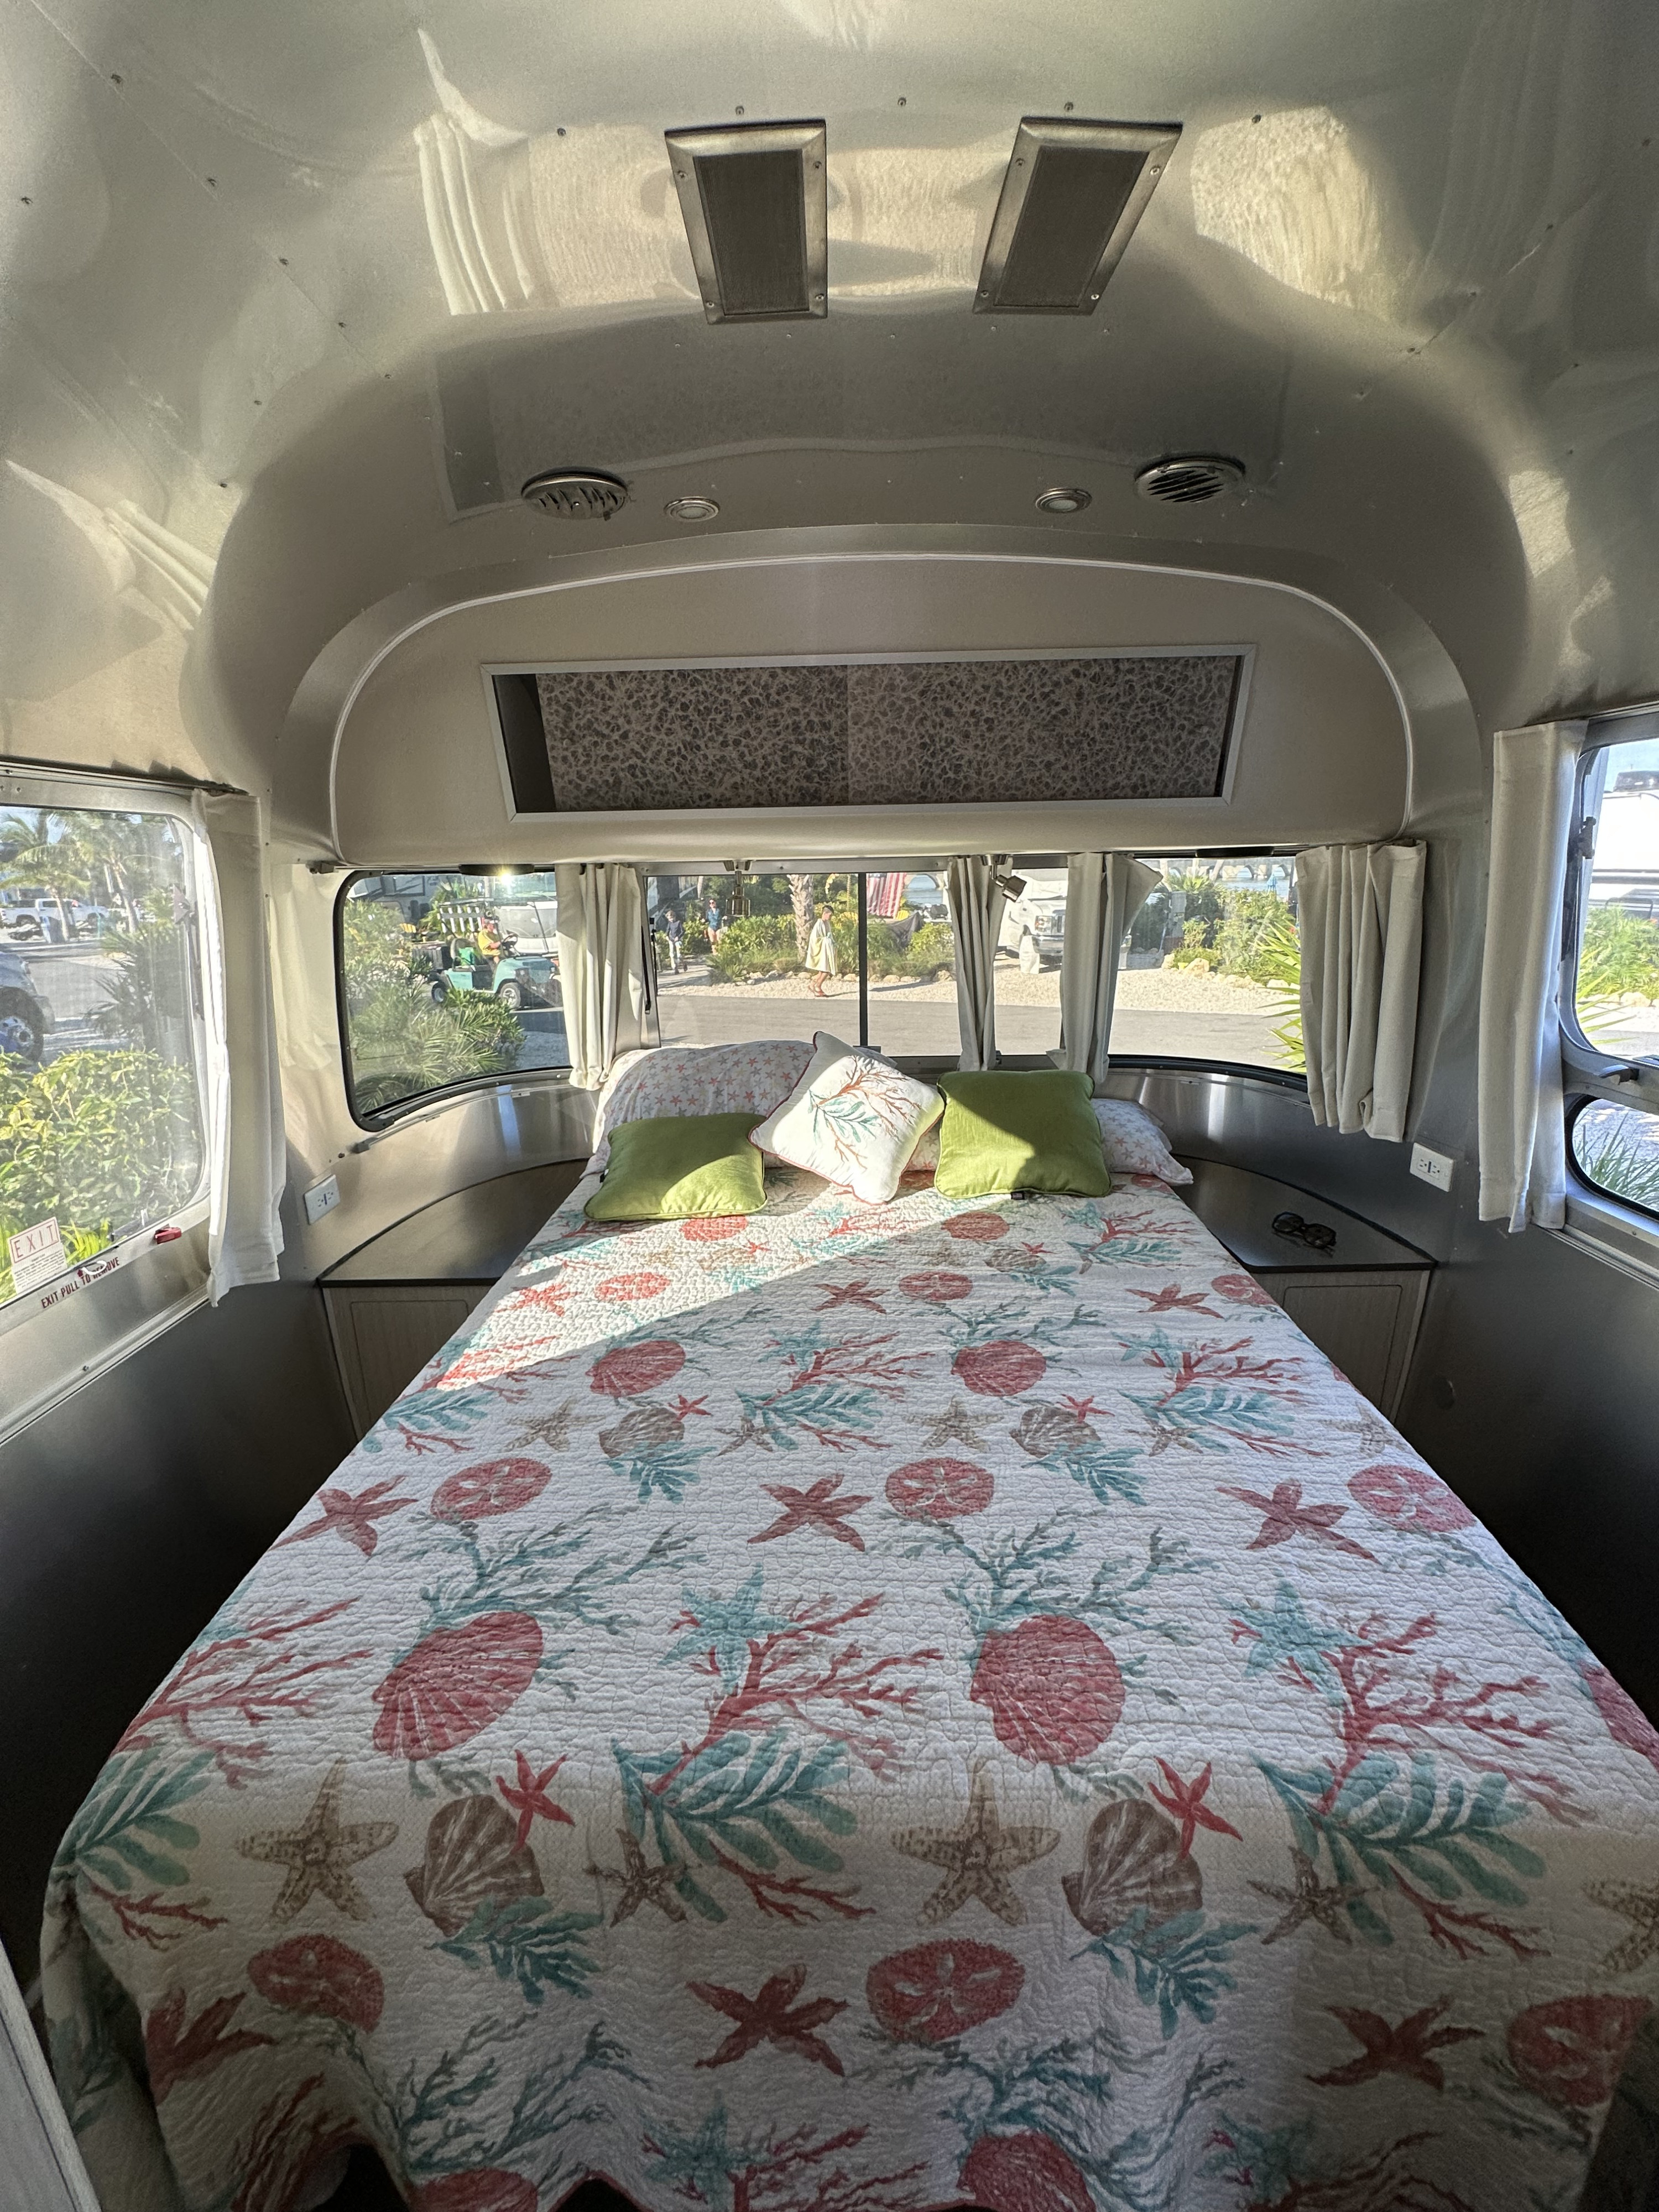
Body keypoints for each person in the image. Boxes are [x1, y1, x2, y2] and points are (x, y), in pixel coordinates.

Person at [807, 902, 838, 997]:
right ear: (825, 913)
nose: (831, 917)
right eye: (830, 915)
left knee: (822, 971)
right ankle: (818, 987)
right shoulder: (819, 924)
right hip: (821, 950)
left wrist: (833, 942)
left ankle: (812, 985)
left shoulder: (827, 924)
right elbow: (814, 939)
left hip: (826, 950)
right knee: (827, 970)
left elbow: (829, 936)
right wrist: (826, 940)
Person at [662, 905, 684, 973]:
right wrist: (666, 936)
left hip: (678, 940)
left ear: (674, 917)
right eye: (669, 919)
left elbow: (683, 931)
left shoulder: (679, 923)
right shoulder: (670, 924)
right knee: (672, 954)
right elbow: (668, 930)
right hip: (671, 939)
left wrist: (678, 937)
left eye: (671, 918)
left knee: (679, 954)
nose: (671, 920)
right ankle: (675, 967)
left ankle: (683, 963)